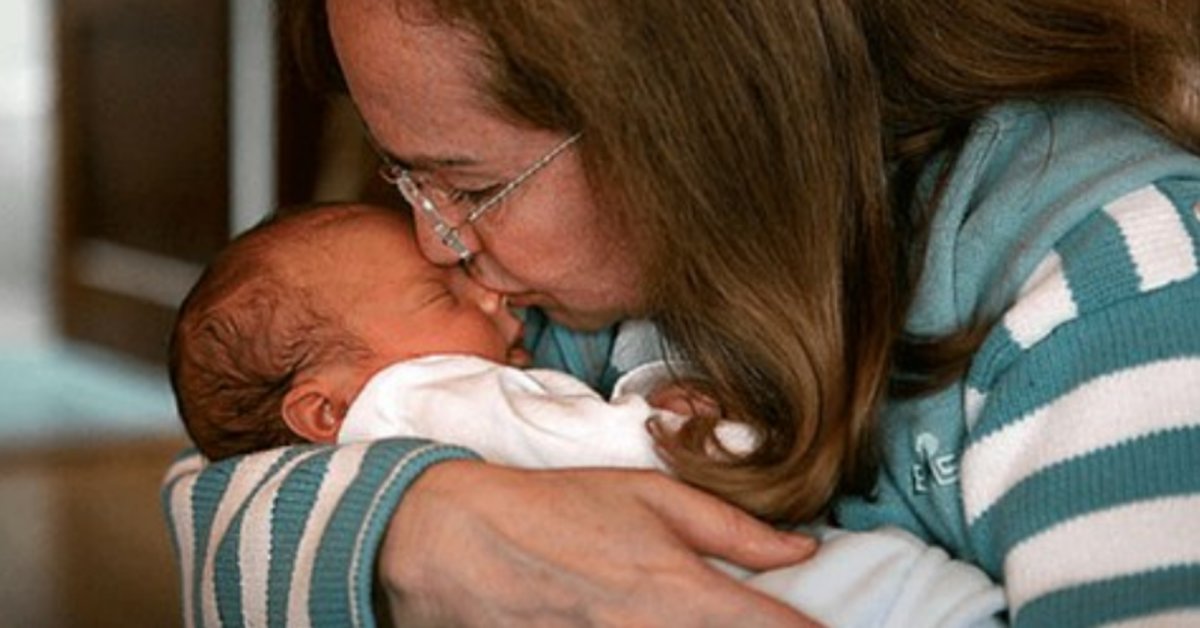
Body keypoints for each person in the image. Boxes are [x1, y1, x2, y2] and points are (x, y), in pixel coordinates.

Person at [162, 0, 1200, 625]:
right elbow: (216, 504)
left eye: (467, 186)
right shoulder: (567, 304)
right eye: (407, 181)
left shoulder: (1115, 287)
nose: (435, 244)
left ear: (681, 118)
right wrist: (420, 528)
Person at [169, 202, 1004, 627]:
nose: (489, 293)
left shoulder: (365, 432)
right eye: (441, 294)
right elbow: (620, 454)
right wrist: (705, 431)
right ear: (323, 408)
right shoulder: (414, 396)